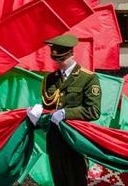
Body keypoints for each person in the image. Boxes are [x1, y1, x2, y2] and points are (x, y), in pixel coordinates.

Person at [28, 34, 101, 186]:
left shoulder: (87, 78)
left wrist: (67, 113)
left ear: (71, 54)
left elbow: (94, 110)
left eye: (62, 59)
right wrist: (36, 117)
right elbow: (48, 112)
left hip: (75, 143)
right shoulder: (50, 79)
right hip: (55, 144)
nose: (59, 63)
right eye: (56, 60)